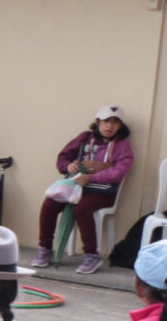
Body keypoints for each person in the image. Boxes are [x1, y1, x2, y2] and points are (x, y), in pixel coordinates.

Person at [35, 106, 134, 273]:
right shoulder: (85, 138)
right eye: (106, 122)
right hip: (75, 187)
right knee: (49, 204)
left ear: (120, 126)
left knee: (82, 209)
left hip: (102, 191)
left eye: (114, 123)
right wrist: (69, 166)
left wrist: (91, 177)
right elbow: (62, 157)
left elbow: (118, 172)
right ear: (98, 122)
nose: (109, 127)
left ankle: (92, 256)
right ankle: (45, 249)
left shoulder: (122, 145)